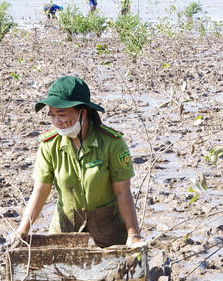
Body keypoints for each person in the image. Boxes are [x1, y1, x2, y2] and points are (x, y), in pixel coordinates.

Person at [14, 76, 143, 249]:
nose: (57, 122)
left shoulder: (112, 143)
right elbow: (41, 190)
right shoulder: (50, 145)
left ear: (83, 112)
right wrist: (22, 231)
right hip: (66, 231)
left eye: (62, 115)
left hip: (108, 230)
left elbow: (123, 191)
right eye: (52, 115)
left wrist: (133, 235)